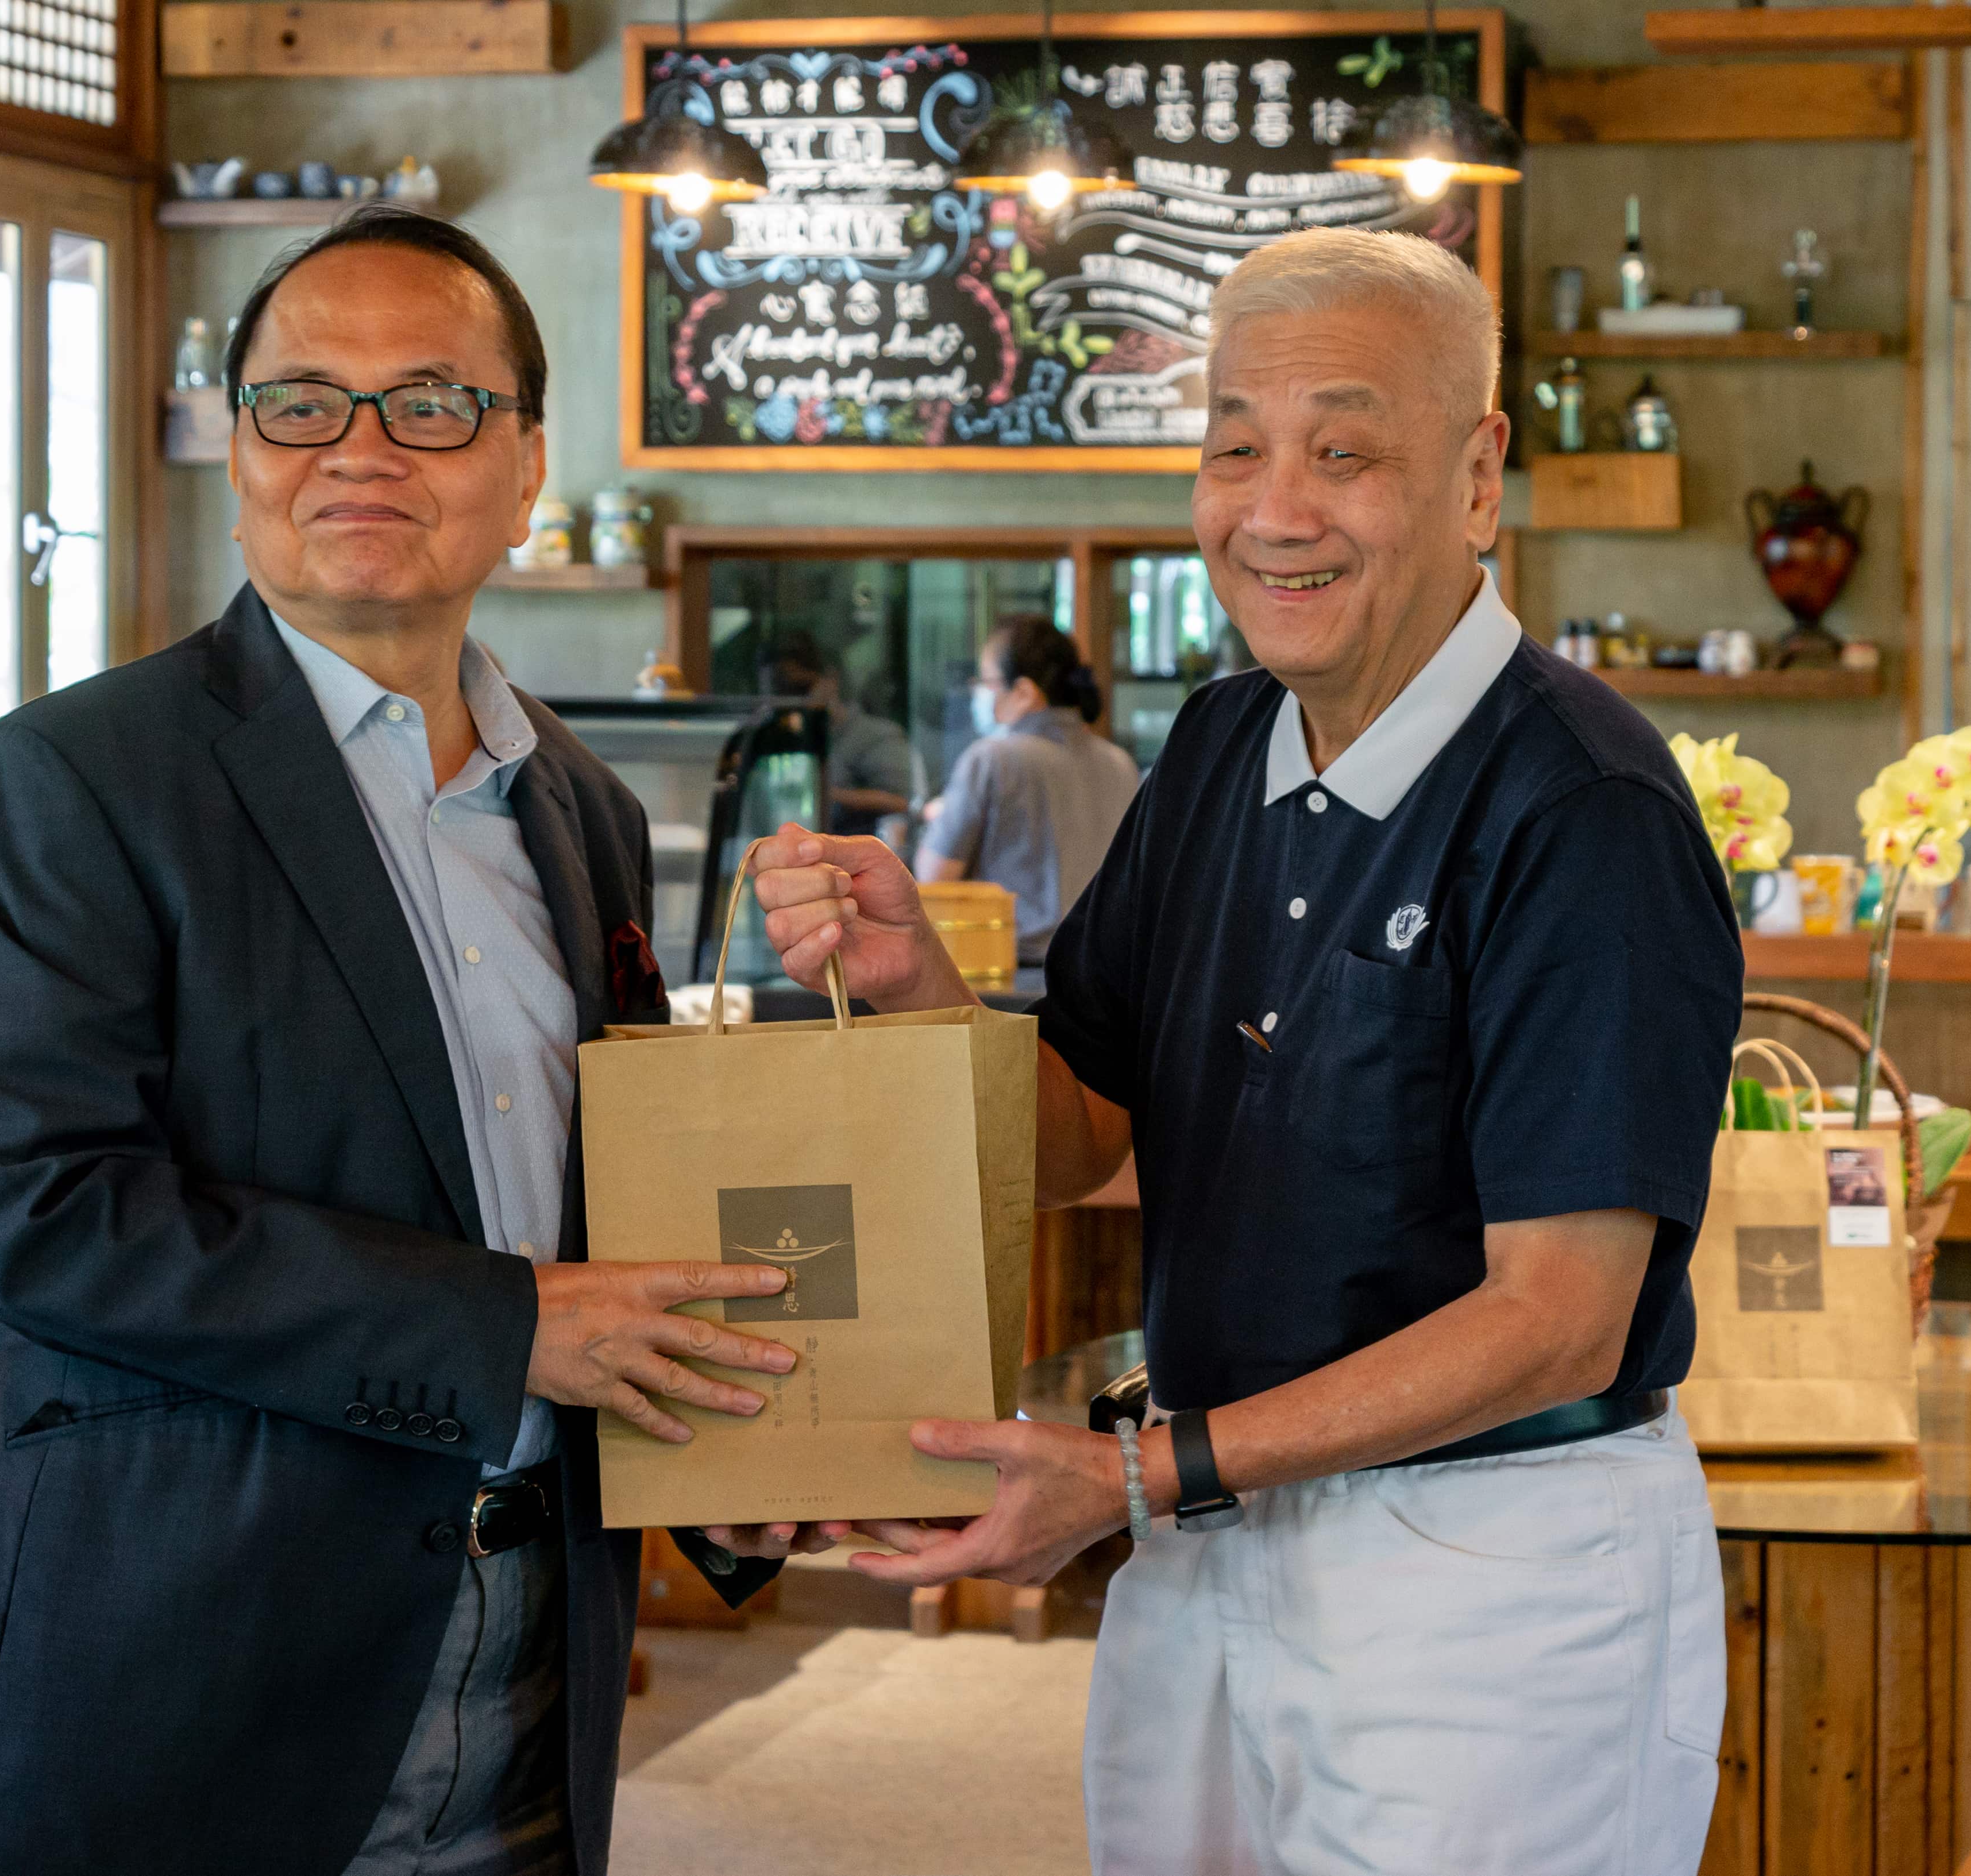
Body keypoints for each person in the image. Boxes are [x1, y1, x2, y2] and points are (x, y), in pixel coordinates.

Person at [746, 227, 1744, 1874]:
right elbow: (1079, 1130)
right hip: (1205, 1530)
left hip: (1488, 1567)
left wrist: (1138, 1470)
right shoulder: (1216, 745)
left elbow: (1560, 1323)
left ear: (1480, 473)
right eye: (1232, 447)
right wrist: (918, 977)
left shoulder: (1585, 808)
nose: (1275, 510)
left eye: (1345, 452)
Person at [0, 204, 828, 1876]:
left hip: (533, 1624)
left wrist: (736, 1447)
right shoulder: (83, 776)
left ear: (526, 457)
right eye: (299, 400)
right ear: (237, 442)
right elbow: (29, 1214)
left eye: (429, 400)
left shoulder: (583, 806)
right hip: (191, 1639)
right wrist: (502, 1329)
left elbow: (602, 1210)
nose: (358, 450)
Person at [917, 616, 1140, 965]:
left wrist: (940, 818)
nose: (978, 694)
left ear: (1023, 692)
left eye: (985, 682)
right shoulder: (1120, 764)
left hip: (1013, 972)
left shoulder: (992, 759)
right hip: (1110, 975)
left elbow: (933, 882)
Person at [767, 631, 917, 837]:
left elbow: (904, 803)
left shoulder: (876, 737)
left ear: (831, 680)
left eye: (801, 688)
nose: (793, 700)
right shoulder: (777, 737)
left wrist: (826, 795)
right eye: (781, 691)